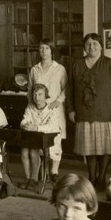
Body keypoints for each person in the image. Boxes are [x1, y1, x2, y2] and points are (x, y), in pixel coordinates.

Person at [68, 32, 111, 190]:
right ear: (84, 47)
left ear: (101, 46)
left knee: (105, 147)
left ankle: (102, 177)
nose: (91, 46)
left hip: (104, 112)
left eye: (94, 44)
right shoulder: (77, 64)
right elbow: (70, 89)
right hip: (83, 113)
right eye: (88, 44)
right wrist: (71, 109)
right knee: (89, 148)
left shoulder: (110, 63)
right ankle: (92, 176)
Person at [27, 39, 68, 178]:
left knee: (55, 139)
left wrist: (58, 100)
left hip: (54, 108)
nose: (44, 51)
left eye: (47, 48)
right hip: (38, 109)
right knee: (38, 138)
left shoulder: (60, 69)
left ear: (52, 51)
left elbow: (66, 88)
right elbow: (30, 90)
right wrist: (31, 105)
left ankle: (54, 171)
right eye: (41, 48)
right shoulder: (34, 69)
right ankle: (40, 170)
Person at [20, 83, 62, 192]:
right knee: (24, 151)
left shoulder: (51, 108)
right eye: (35, 95)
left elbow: (52, 127)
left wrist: (36, 127)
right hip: (34, 138)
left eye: (40, 95)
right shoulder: (30, 107)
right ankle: (28, 178)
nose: (37, 98)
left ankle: (35, 178)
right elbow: (24, 120)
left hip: (50, 139)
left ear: (45, 96)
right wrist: (26, 125)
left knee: (34, 151)